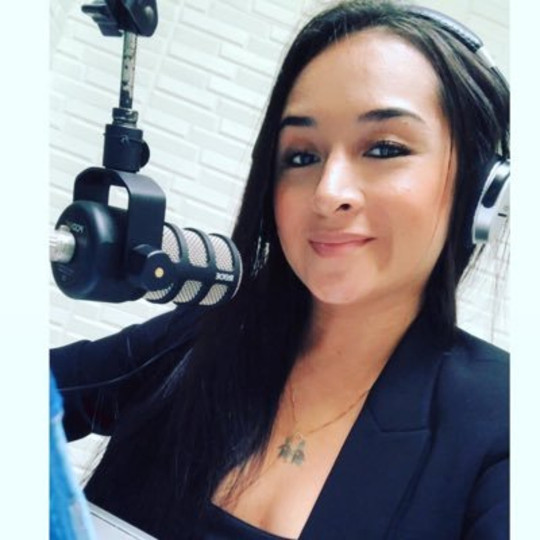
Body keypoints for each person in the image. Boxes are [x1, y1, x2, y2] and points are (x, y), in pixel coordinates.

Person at [51, 1, 510, 538]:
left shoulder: (507, 422)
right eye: (301, 156)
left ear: (483, 192)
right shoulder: (201, 339)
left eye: (385, 148)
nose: (328, 193)